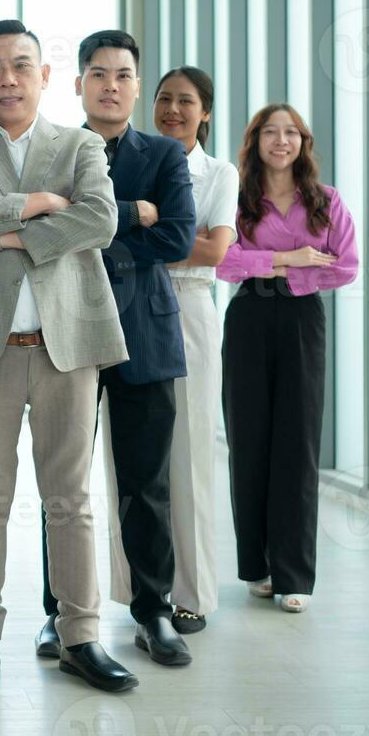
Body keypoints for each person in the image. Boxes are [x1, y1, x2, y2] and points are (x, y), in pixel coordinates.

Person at [0, 20, 136, 693]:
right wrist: (40, 206)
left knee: (70, 499)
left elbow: (100, 221)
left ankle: (81, 636)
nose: (8, 78)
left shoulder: (78, 144)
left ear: (45, 75)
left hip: (67, 347)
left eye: (21, 65)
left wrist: (9, 238)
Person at [36, 29, 196, 668]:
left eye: (123, 75)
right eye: (97, 74)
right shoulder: (54, 152)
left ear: (136, 84)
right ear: (78, 84)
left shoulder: (163, 153)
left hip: (145, 335)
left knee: (146, 482)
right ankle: (60, 613)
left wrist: (93, 223)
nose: (110, 85)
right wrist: (134, 213)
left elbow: (180, 236)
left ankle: (154, 610)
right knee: (63, 482)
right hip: (69, 330)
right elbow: (45, 227)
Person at [105, 66, 237, 635]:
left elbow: (209, 251)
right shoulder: (133, 159)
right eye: (163, 99)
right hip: (129, 310)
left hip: (190, 315)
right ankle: (134, 586)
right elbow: (169, 237)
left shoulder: (219, 173)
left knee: (189, 460)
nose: (173, 110)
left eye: (186, 101)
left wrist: (154, 235)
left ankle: (193, 592)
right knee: (131, 465)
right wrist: (158, 232)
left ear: (206, 112)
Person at [217, 103, 358, 614]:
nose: (281, 141)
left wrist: (282, 273)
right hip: (249, 317)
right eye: (271, 133)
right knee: (248, 440)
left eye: (291, 132)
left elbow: (345, 268)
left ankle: (293, 574)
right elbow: (224, 264)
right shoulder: (236, 201)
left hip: (302, 319)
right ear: (255, 142)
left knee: (297, 445)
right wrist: (287, 258)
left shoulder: (326, 201)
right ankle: (257, 566)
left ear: (303, 142)